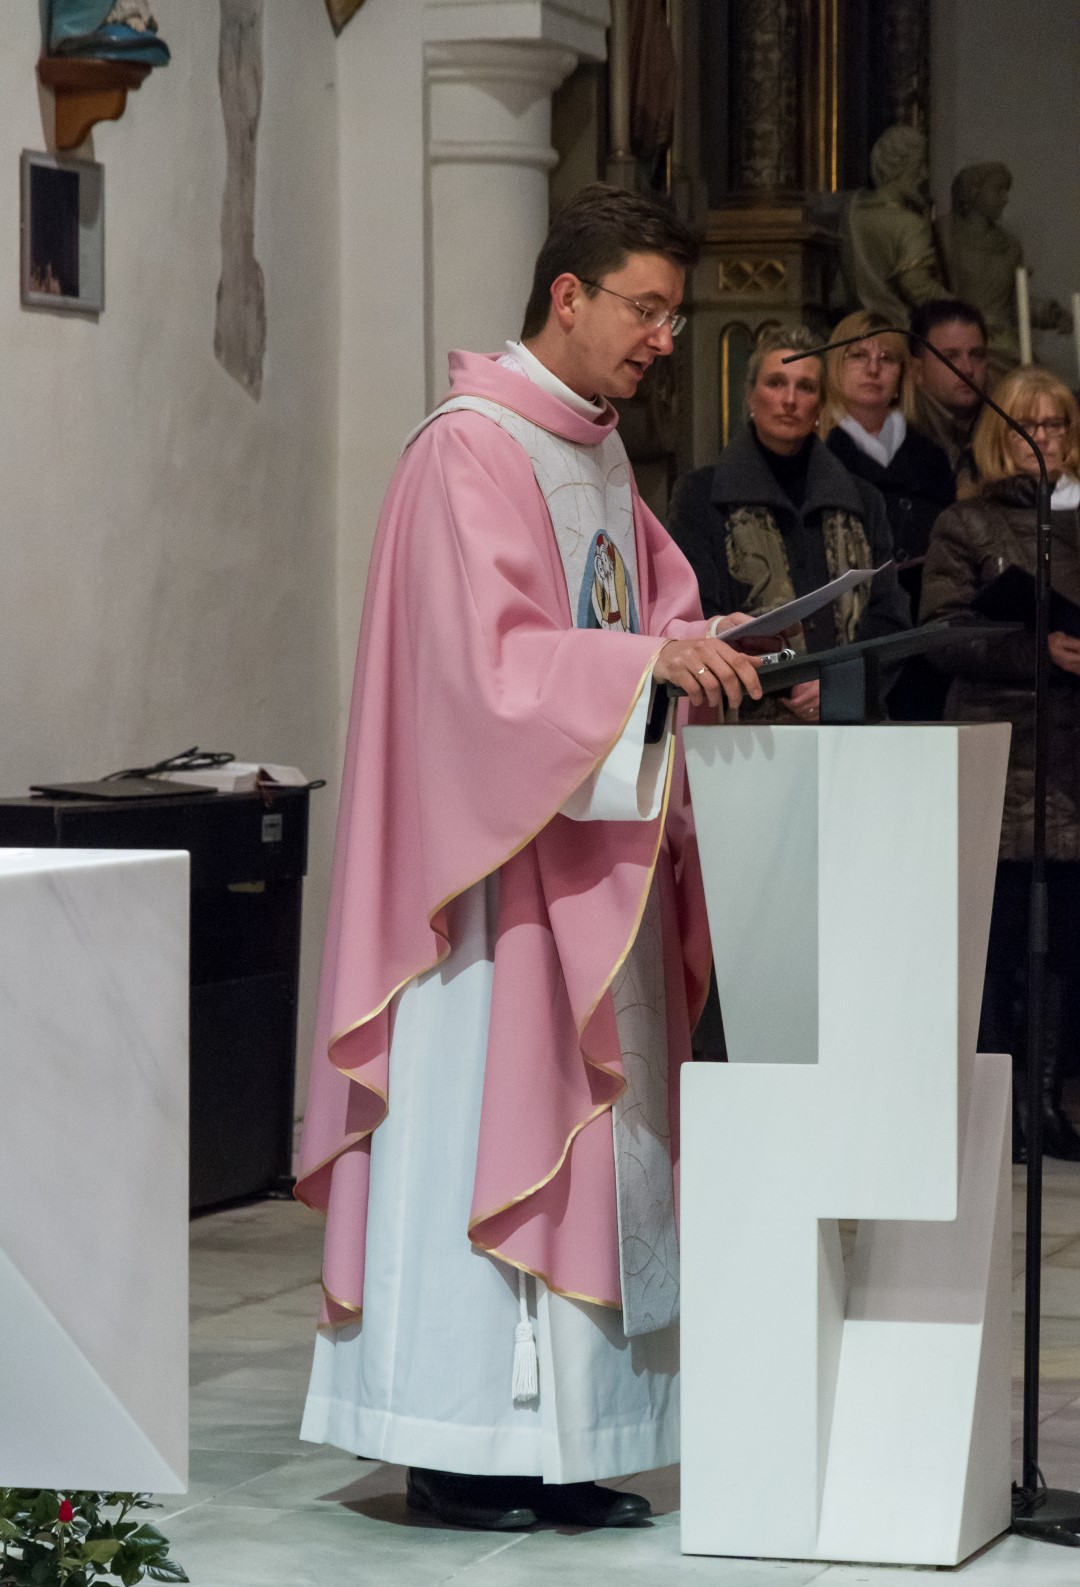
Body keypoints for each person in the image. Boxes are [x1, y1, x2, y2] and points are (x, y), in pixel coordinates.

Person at [294, 183, 763, 1533]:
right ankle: (458, 1443)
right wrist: (642, 668)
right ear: (569, 294)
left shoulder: (597, 452)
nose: (667, 337)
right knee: (477, 1131)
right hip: (481, 892)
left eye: (674, 313)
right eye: (648, 309)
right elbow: (481, 671)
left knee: (599, 1147)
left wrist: (719, 649)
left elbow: (647, 610)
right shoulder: (469, 448)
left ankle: (566, 1446)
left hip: (583, 850)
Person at [920, 365, 1080, 1162]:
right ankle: (995, 1111)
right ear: (997, 435)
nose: (1040, 438)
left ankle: (1044, 1103)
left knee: (1063, 942)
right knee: (997, 941)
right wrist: (1039, 649)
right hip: (1002, 750)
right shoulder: (967, 523)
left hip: (1071, 762)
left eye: (1054, 425)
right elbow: (943, 634)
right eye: (1027, 425)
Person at [667, 325, 909, 728]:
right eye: (776, 383)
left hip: (851, 723)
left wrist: (841, 683)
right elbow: (698, 612)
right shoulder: (702, 495)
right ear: (750, 395)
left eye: (806, 387)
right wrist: (787, 682)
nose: (790, 400)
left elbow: (889, 615)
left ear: (821, 404)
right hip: (746, 723)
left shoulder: (862, 499)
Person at [821, 310, 955, 718]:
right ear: (835, 365)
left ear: (904, 372)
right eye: (858, 355)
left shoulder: (931, 455)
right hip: (849, 630)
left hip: (923, 633)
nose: (873, 369)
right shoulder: (820, 453)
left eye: (887, 358)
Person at [936, 162, 1073, 381]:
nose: (1005, 198)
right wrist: (970, 320)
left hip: (1003, 340)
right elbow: (928, 288)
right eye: (998, 190)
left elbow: (1014, 303)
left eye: (1006, 191)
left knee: (1034, 385)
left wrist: (1050, 314)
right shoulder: (945, 233)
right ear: (974, 192)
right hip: (959, 336)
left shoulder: (1010, 246)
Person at [840, 125, 949, 327]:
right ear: (901, 167)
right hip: (898, 329)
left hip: (855, 327)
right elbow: (917, 287)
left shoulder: (852, 211)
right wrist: (960, 309)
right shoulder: (910, 224)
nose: (925, 174)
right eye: (920, 165)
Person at [908, 299, 990, 493]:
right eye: (950, 357)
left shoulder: (1007, 424)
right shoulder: (900, 436)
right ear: (918, 370)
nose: (967, 369)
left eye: (976, 355)